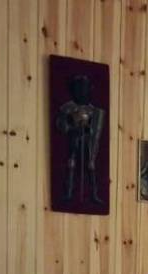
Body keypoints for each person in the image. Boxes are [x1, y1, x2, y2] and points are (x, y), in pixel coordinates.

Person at [55, 74, 105, 203]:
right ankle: (68, 192)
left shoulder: (93, 110)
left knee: (91, 164)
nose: (82, 90)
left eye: (84, 87)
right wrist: (71, 128)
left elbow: (96, 128)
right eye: (79, 87)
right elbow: (61, 124)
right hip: (74, 138)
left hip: (88, 142)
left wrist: (89, 130)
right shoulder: (67, 107)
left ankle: (93, 194)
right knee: (71, 163)